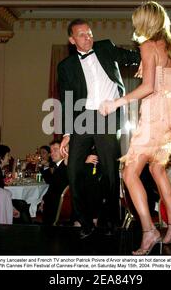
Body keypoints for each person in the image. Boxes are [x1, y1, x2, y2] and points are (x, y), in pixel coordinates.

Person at [100, 1, 171, 254]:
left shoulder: (148, 46)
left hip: (154, 116)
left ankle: (149, 230)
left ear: (145, 22)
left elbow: (149, 87)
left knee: (129, 174)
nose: (135, 26)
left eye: (137, 21)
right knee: (156, 169)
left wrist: (115, 103)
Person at [58, 18, 141, 238]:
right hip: (82, 118)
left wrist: (151, 50)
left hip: (107, 114)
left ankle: (111, 222)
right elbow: (66, 100)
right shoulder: (66, 66)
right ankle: (84, 222)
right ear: (72, 39)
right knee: (73, 169)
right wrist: (66, 133)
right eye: (82, 34)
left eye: (90, 33)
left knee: (110, 172)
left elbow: (132, 58)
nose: (88, 37)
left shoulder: (105, 47)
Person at [40, 140, 69, 225]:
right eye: (51, 151)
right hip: (54, 204)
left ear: (64, 150)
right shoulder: (59, 167)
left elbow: (57, 190)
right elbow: (52, 184)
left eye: (55, 150)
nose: (52, 153)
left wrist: (44, 201)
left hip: (56, 209)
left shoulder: (64, 168)